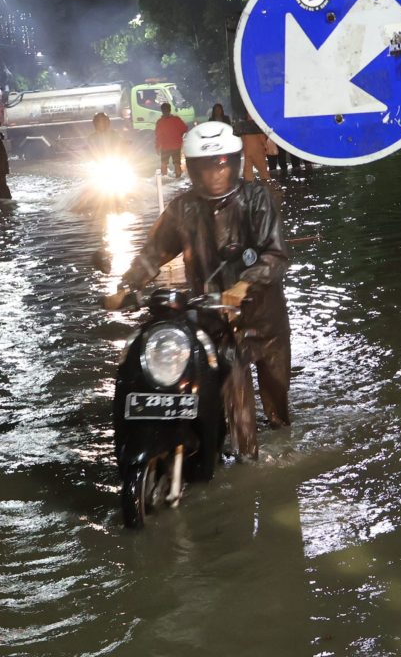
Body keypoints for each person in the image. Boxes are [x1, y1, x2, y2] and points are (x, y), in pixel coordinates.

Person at [105, 121, 291, 459]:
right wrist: (127, 286)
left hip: (265, 318)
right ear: (191, 168)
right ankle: (247, 468)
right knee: (239, 413)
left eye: (222, 163)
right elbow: (154, 252)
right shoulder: (182, 209)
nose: (215, 173)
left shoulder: (256, 199)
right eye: (205, 165)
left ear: (234, 162)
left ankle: (282, 440)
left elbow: (276, 254)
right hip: (216, 322)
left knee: (278, 403)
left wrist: (246, 283)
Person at [154, 103, 188, 176]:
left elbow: (158, 136)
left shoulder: (160, 122)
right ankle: (178, 179)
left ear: (162, 111)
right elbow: (185, 128)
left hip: (165, 147)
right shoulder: (176, 119)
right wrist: (179, 135)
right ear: (170, 110)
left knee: (164, 164)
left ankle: (163, 181)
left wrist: (157, 147)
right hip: (176, 145)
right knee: (176, 164)